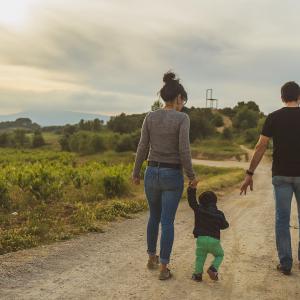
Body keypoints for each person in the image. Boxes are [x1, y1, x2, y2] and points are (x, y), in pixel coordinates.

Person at [132, 71, 197, 280]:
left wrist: (136, 172)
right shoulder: (182, 118)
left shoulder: (150, 116)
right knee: (167, 221)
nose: (182, 105)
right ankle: (164, 267)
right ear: (178, 98)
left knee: (154, 216)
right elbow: (184, 150)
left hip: (151, 172)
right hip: (172, 174)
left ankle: (151, 258)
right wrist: (191, 176)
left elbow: (142, 147)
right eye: (183, 101)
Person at [240, 81, 300, 275]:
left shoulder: (273, 117)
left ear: (282, 97)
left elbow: (261, 146)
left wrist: (250, 173)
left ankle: (285, 263)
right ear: (299, 97)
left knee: (282, 219)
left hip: (281, 175)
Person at [187, 188, 229, 281]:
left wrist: (191, 189)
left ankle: (197, 275)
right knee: (219, 255)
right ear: (215, 202)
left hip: (201, 239)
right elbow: (225, 225)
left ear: (201, 202)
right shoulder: (219, 214)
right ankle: (213, 268)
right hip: (214, 241)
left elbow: (192, 202)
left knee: (200, 257)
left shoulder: (198, 210)